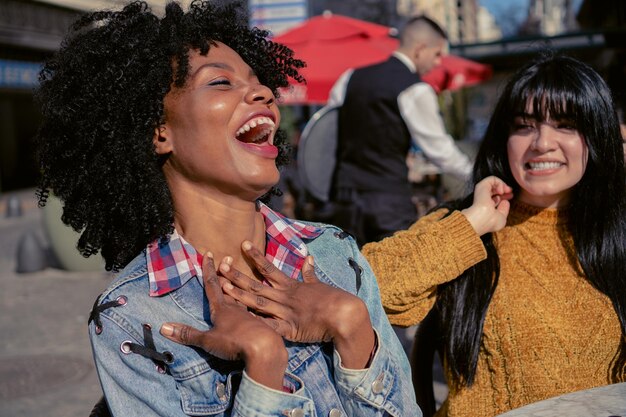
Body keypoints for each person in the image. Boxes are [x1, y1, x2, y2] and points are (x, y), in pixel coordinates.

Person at [34, 2, 419, 416]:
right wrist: (264, 365)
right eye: (220, 82)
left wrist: (353, 326)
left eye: (259, 82)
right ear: (158, 131)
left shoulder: (335, 252)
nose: (265, 93)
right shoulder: (132, 318)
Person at [361, 53, 626, 417]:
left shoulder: (617, 228)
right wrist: (472, 224)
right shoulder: (466, 224)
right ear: (504, 137)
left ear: (597, 136)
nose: (542, 142)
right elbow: (363, 289)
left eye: (565, 124)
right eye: (524, 125)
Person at [326, 15, 473, 246]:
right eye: (437, 54)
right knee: (395, 277)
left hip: (344, 199)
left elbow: (328, 132)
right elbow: (440, 150)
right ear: (420, 49)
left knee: (348, 278)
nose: (438, 63)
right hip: (388, 202)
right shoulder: (415, 88)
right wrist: (476, 174)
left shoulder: (349, 77)